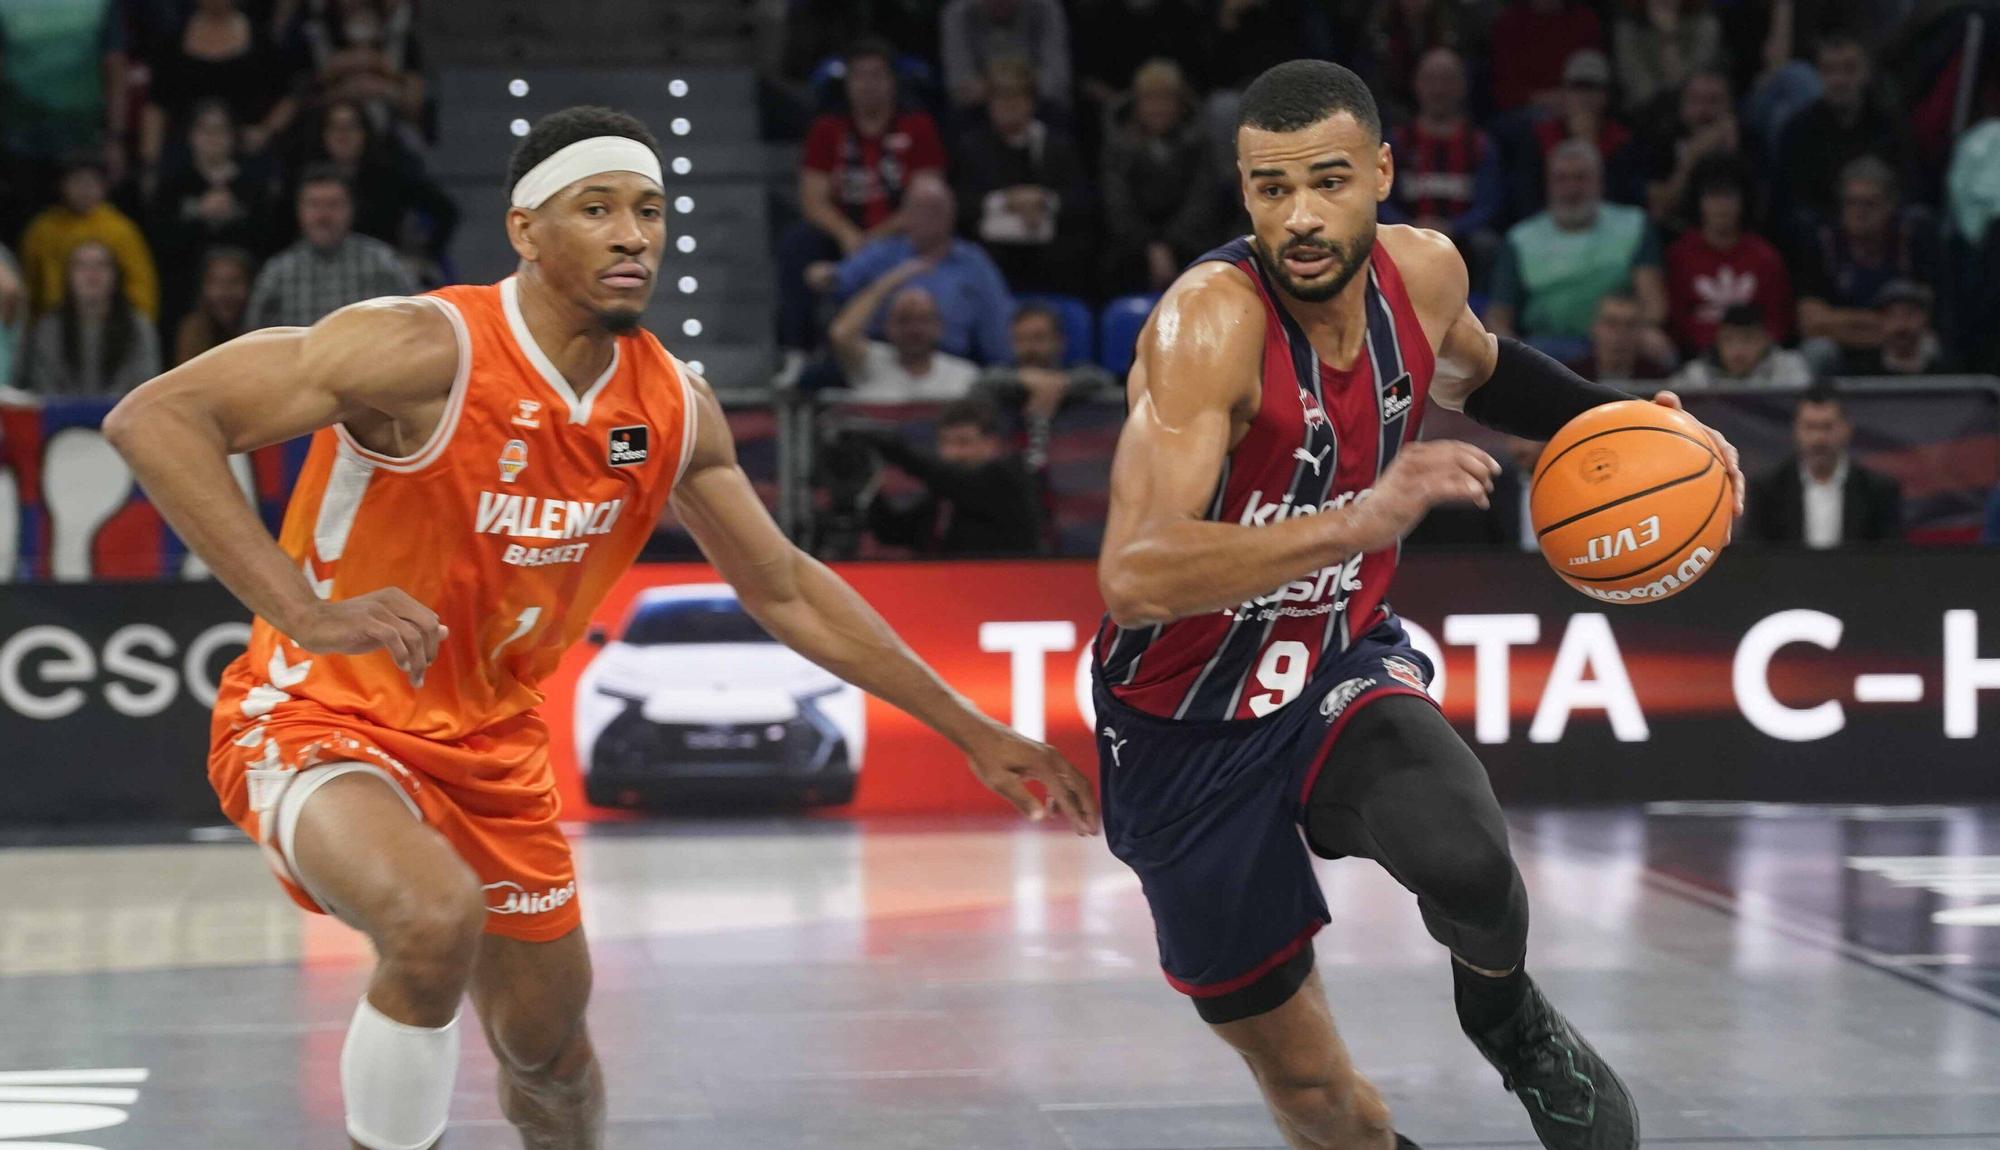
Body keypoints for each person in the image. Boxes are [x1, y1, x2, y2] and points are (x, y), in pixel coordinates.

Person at [103, 104, 1096, 1150]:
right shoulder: (416, 348)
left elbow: (787, 588)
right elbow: (156, 418)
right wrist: (300, 607)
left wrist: (970, 727)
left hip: (490, 748)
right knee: (433, 919)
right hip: (318, 718)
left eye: (651, 211)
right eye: (599, 209)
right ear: (526, 230)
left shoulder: (672, 405)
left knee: (552, 1056)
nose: (635, 235)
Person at [1094, 59, 1741, 1150]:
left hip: (1335, 659)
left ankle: (1506, 1017)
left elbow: (1481, 375)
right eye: (1268, 189)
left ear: (1382, 174)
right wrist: (1357, 520)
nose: (1298, 216)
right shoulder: (1205, 326)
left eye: (1328, 181)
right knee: (1315, 1100)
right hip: (1180, 726)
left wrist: (1643, 430)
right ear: (1242, 192)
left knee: (1466, 858)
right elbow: (1135, 573)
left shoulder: (1424, 274)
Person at [779, 35, 948, 355]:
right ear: (847, 83)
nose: (868, 85)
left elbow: (929, 200)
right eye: (859, 76)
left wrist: (877, 238)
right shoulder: (827, 130)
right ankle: (795, 351)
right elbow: (813, 199)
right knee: (797, 245)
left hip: (902, 232)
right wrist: (848, 235)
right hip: (843, 233)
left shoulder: (918, 127)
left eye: (877, 75)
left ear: (892, 81)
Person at [1488, 140, 1669, 363]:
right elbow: (1498, 316)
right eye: (1562, 179)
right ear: (1548, 184)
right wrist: (1513, 356)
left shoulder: (1634, 225)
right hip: (1544, 346)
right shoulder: (1520, 238)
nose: (1572, 189)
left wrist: (1635, 331)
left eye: (1581, 178)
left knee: (1659, 347)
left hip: (1618, 338)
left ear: (1599, 182)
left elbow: (1654, 306)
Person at [813, 175, 1015, 364]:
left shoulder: (975, 262)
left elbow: (998, 327)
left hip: (951, 361)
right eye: (920, 209)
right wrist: (823, 275)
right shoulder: (883, 252)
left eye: (936, 209)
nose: (929, 218)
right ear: (904, 214)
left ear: (952, 213)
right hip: (884, 357)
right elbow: (836, 281)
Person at [951, 56, 1091, 294]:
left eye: (1016, 97)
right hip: (994, 250)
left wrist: (1043, 200)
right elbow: (961, 204)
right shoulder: (971, 148)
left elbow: (1082, 199)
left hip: (1050, 252)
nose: (1008, 105)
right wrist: (1006, 201)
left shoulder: (1057, 146)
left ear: (1031, 102)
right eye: (1000, 97)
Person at [1793, 156, 1938, 370]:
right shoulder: (1823, 243)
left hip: (1899, 350)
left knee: (1931, 347)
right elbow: (1811, 323)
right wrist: (1886, 325)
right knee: (1816, 351)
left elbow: (1923, 321)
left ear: (1890, 205)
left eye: (1869, 204)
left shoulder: (1909, 241)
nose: (1859, 212)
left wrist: (1840, 320)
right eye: (1851, 202)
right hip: (1842, 348)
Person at [1100, 58, 1226, 295]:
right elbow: (1117, 205)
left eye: (1166, 99)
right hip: (1132, 248)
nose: (1157, 108)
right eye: (1149, 99)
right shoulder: (1117, 143)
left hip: (1191, 244)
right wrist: (1151, 246)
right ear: (1136, 103)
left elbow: (1202, 200)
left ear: (1180, 103)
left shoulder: (1199, 140)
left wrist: (1169, 244)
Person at [859, 396, 1046, 556]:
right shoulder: (944, 494)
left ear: (992, 443)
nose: (952, 454)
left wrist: (891, 447)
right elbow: (895, 534)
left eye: (963, 443)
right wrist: (870, 489)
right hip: (945, 585)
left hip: (1007, 584)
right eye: (945, 442)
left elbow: (954, 480)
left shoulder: (1007, 477)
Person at [147, 100, 273, 326]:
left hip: (246, 293)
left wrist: (231, 216)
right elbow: (161, 243)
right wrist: (200, 216)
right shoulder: (173, 184)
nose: (213, 137)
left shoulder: (253, 185)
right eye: (205, 129)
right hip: (185, 292)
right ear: (191, 135)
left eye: (221, 129)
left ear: (233, 135)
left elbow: (267, 240)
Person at [247, 164, 417, 330]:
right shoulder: (278, 271)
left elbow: (417, 320)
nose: (323, 215)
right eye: (314, 204)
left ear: (351, 209)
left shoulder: (381, 261)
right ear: (299, 210)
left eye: (333, 204)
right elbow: (253, 338)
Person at [292, 99, 459, 262]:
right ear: (323, 134)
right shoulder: (303, 176)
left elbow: (446, 212)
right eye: (334, 127)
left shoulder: (392, 175)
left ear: (365, 132)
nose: (342, 135)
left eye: (351, 127)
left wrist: (423, 256)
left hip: (382, 268)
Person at [1775, 31, 1910, 230]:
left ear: (1866, 72)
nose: (1839, 80)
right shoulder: (1799, 130)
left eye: (1849, 69)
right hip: (1824, 234)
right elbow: (1791, 200)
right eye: (1829, 70)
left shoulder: (1889, 125)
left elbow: (1908, 187)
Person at [1381, 49, 1502, 271]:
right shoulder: (1396, 142)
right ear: (1416, 84)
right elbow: (1380, 201)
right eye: (1430, 79)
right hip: (1403, 237)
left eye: (1447, 79)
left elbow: (1489, 206)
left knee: (1487, 244)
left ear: (1463, 86)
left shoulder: (1479, 144)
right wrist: (1411, 227)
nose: (1438, 89)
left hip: (1463, 242)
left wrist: (1452, 228)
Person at [1745, 383, 1901, 546]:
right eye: (1810, 427)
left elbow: (1890, 560)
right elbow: (1755, 558)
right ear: (1796, 430)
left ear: (1847, 429)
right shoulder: (1768, 488)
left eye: (1827, 427)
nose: (1818, 439)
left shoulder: (1878, 490)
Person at [1664, 157, 1792, 356]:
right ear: (1698, 202)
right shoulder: (1680, 256)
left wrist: (1748, 350)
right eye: (1713, 196)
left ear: (1743, 201)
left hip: (1759, 360)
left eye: (1729, 196)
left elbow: (1777, 322)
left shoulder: (1765, 257)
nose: (1721, 206)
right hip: (1696, 360)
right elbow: (1677, 321)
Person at [19, 156, 161, 319]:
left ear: (104, 187)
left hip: (111, 326)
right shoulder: (41, 230)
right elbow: (28, 287)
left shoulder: (121, 230)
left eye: (92, 182)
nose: (85, 189)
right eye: (77, 181)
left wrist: (138, 326)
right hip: (53, 324)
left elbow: (142, 285)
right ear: (62, 185)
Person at [20, 241, 162, 398]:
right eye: (81, 266)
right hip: (61, 419)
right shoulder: (48, 329)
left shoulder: (138, 327)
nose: (92, 273)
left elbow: (144, 386)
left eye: (102, 265)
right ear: (68, 276)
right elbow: (44, 389)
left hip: (123, 418)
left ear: (116, 275)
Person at [826, 258, 980, 401]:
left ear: (939, 326)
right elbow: (841, 334)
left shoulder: (965, 376)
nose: (914, 329)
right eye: (904, 320)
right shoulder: (869, 361)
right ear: (887, 326)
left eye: (923, 319)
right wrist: (892, 280)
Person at [1636, 70, 1740, 228]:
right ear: (1682, 105)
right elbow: (1661, 209)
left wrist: (1733, 154)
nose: (1703, 111)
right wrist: (1692, 156)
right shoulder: (1661, 140)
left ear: (1729, 106)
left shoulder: (1748, 141)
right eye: (1695, 100)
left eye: (1714, 101)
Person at [940, 0, 1073, 111]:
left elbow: (1056, 79)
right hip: (980, 110)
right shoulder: (958, 13)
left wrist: (1013, 91)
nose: (999, 2)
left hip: (1040, 104)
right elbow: (959, 84)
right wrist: (1003, 91)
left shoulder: (1045, 8)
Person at [1489, 0, 1605, 112]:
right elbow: (1505, 91)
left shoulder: (1584, 19)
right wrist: (1546, 99)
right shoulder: (1509, 24)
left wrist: (1574, 98)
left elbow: (1597, 81)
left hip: (1580, 105)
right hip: (1529, 108)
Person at [1670, 302, 1812, 389]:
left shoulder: (1789, 368)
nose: (1737, 349)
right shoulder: (1696, 375)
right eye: (1728, 340)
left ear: (1764, 340)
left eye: (1747, 339)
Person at [1612, 0, 1725, 110]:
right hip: (1646, 111)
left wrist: (1669, 37)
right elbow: (1639, 86)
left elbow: (1696, 81)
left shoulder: (1705, 25)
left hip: (1696, 110)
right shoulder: (1628, 30)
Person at [1839, 281, 1953, 376]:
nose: (1901, 324)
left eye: (1909, 314)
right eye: (1892, 315)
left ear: (1925, 319)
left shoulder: (1948, 370)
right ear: (1881, 321)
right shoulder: (1862, 372)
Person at [173, 246, 255, 366]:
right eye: (216, 282)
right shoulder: (192, 330)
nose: (225, 292)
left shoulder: (262, 329)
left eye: (234, 281)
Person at [1567, 291, 1670, 381]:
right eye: (1611, 323)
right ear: (1594, 327)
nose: (1620, 333)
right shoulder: (1570, 377)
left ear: (1641, 332)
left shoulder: (1660, 381)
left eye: (1630, 325)